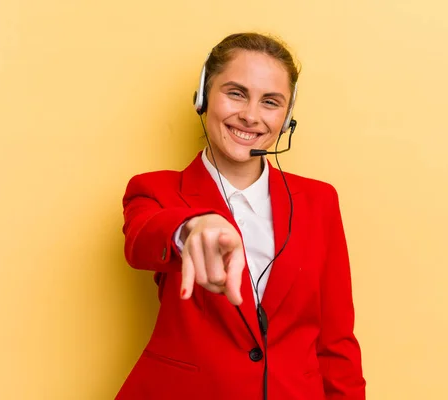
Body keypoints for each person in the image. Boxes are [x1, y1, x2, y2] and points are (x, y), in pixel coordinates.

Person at [116, 32, 366, 400]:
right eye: (235, 93)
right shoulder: (155, 190)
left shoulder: (319, 201)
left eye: (270, 102)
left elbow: (335, 340)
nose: (250, 116)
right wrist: (190, 227)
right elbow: (141, 240)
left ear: (286, 116)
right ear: (203, 96)